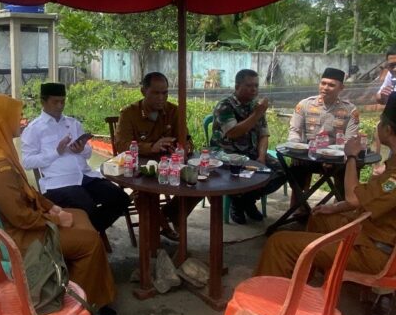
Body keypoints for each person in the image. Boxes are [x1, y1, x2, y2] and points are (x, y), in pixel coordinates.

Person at [0, 94, 117, 315]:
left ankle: (69, 280)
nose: (21, 120)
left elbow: (26, 191)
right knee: (90, 241)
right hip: (18, 238)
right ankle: (89, 304)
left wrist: (51, 206)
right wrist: (56, 220)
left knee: (81, 215)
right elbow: (21, 217)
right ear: (1, 120)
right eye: (16, 116)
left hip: (16, 228)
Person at [255, 92, 396, 315]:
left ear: (388, 130)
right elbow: (370, 201)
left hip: (374, 251)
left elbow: (354, 197)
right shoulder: (392, 165)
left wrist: (351, 157)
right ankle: (303, 283)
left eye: (380, 122)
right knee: (319, 215)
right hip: (367, 231)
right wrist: (335, 208)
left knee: (279, 243)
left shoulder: (394, 175)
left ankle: (266, 313)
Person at [21, 82, 129, 235]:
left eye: (63, 101)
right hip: (58, 183)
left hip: (85, 176)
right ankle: (91, 236)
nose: (60, 106)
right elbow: (27, 162)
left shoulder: (73, 123)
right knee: (88, 208)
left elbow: (88, 153)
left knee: (121, 198)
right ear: (43, 102)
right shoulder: (34, 129)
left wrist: (81, 149)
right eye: (55, 102)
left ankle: (89, 233)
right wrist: (56, 152)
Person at [115, 72, 194, 240]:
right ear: (144, 91)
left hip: (169, 165)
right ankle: (160, 231)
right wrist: (151, 147)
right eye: (156, 93)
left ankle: (171, 213)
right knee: (144, 194)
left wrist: (184, 148)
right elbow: (121, 145)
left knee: (195, 182)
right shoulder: (129, 113)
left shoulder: (173, 111)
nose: (161, 98)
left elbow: (186, 140)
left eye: (165, 93)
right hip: (141, 168)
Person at [210, 69, 286, 225]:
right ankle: (240, 203)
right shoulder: (225, 106)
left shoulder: (255, 106)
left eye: (256, 86)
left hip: (251, 153)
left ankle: (245, 201)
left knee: (282, 172)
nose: (254, 89)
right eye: (249, 85)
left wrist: (261, 157)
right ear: (237, 86)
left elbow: (263, 134)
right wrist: (257, 114)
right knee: (241, 174)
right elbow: (233, 133)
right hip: (226, 154)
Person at [287, 67, 360, 208]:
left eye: (331, 85)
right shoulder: (305, 105)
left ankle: (338, 208)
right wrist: (296, 149)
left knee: (349, 169)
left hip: (336, 159)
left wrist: (333, 156)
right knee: (296, 169)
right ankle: (297, 208)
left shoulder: (350, 110)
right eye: (323, 83)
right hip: (307, 156)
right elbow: (294, 131)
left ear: (341, 88)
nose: (325, 88)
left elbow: (350, 139)